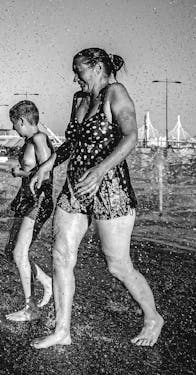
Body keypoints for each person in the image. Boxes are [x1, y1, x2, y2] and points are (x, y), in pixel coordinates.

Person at [29, 48, 164, 348]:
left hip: (110, 187)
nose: (75, 76)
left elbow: (131, 136)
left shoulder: (115, 93)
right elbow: (71, 144)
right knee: (61, 255)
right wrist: (47, 165)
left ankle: (153, 317)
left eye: (79, 70)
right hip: (76, 187)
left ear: (98, 66)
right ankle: (62, 330)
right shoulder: (79, 99)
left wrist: (101, 170)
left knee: (117, 265)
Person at [5, 101, 54, 322]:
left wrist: (19, 173)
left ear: (22, 120)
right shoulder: (29, 141)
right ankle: (46, 281)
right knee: (11, 251)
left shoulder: (39, 139)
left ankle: (30, 308)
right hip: (26, 200)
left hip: (37, 201)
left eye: (14, 123)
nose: (14, 128)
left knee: (18, 253)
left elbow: (47, 175)